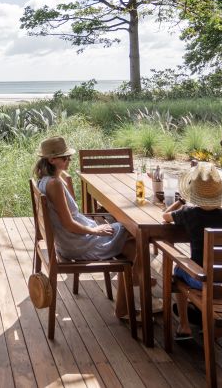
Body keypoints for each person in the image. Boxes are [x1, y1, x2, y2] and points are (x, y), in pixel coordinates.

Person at [34, 135, 138, 320]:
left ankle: (131, 292)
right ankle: (136, 288)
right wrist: (95, 230)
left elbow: (68, 217)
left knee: (128, 234)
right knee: (134, 231)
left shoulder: (45, 180)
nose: (69, 160)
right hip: (77, 244)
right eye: (65, 158)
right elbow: (68, 223)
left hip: (68, 241)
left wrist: (63, 174)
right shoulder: (55, 184)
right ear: (52, 160)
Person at [162, 163, 222, 339]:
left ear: (193, 194)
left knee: (179, 268)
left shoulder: (188, 213)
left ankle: (184, 326)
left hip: (204, 280)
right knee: (195, 269)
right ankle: (205, 318)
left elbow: (165, 216)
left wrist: (181, 201)